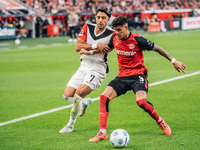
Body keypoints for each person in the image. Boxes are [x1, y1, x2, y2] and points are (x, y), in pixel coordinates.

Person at [89, 15, 186, 142]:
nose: (117, 33)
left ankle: (160, 121)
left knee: (141, 102)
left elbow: (157, 48)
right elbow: (107, 50)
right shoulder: (114, 38)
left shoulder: (138, 40)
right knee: (103, 97)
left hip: (138, 76)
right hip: (122, 77)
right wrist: (89, 52)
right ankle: (102, 133)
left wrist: (173, 61)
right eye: (115, 30)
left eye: (119, 30)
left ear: (126, 27)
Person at [59, 7, 115, 133]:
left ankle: (70, 125)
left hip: (98, 68)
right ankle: (84, 103)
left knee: (78, 94)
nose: (100, 20)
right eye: (98, 17)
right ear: (95, 18)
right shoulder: (87, 27)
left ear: (108, 20)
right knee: (67, 95)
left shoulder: (112, 34)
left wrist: (89, 51)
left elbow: (105, 50)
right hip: (83, 66)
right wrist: (95, 45)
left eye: (103, 18)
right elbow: (77, 46)